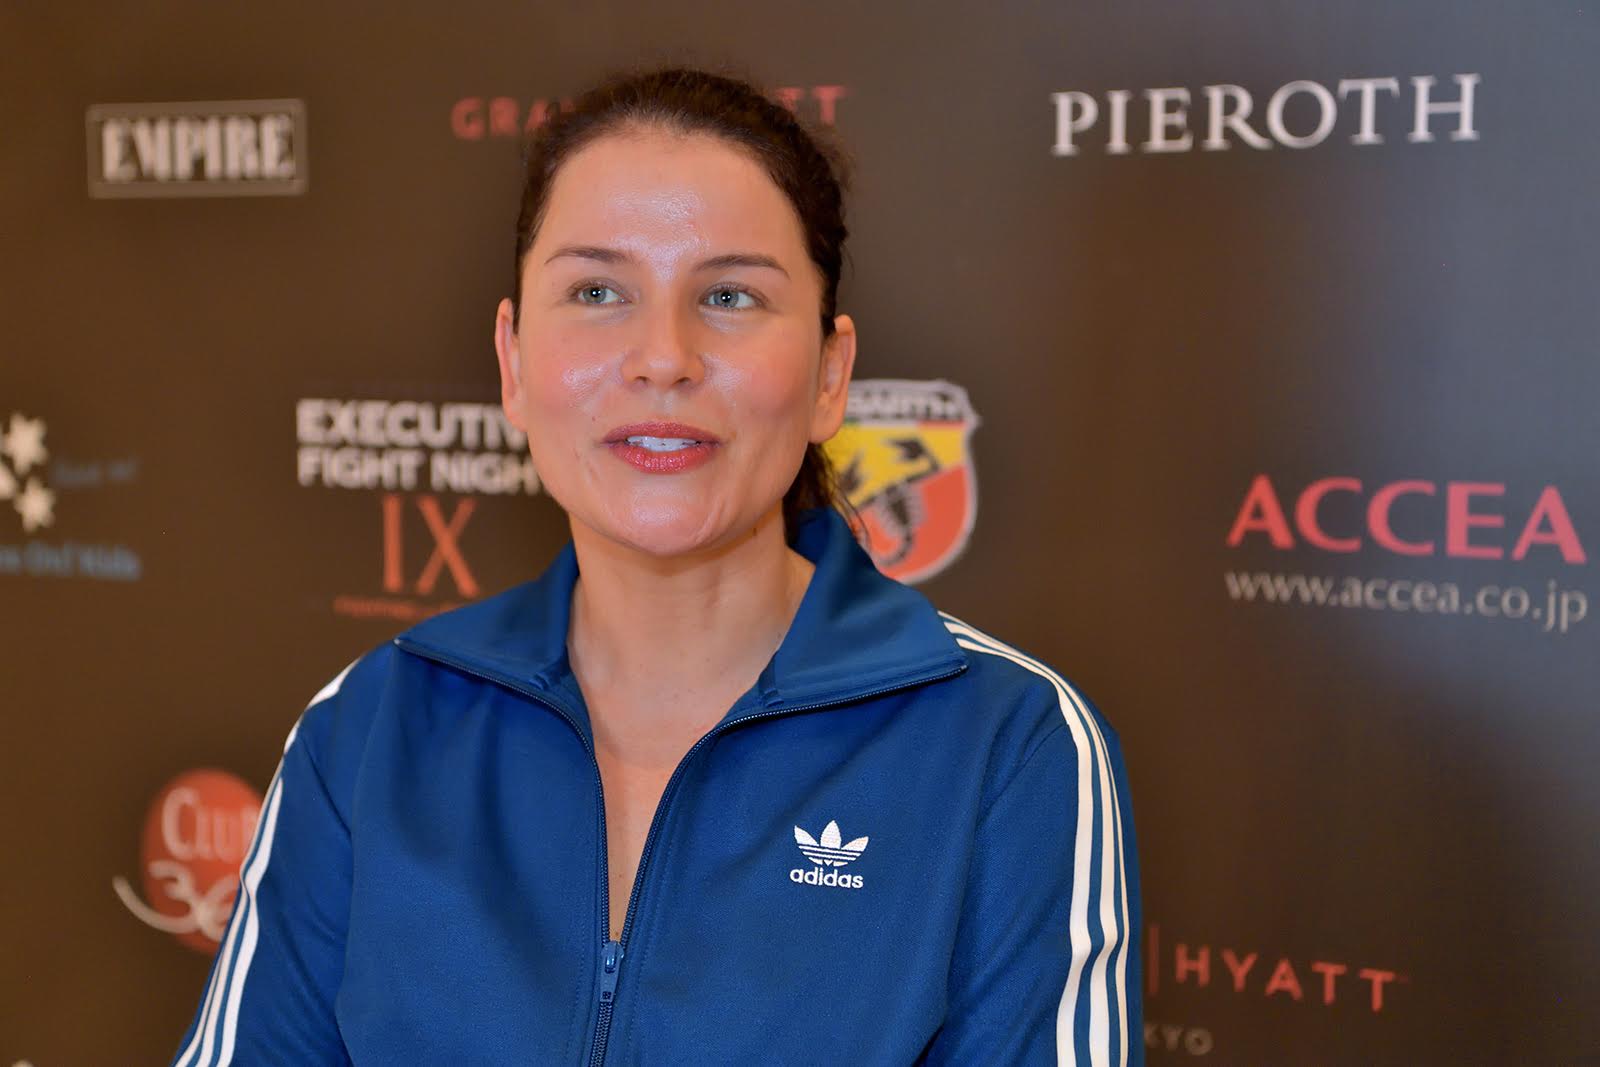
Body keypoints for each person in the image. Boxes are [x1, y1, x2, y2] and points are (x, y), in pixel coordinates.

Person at [170, 66, 1141, 1066]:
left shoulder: (1007, 745)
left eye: (729, 294)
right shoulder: (371, 728)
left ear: (829, 374)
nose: (663, 355)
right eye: (597, 291)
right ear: (512, 362)